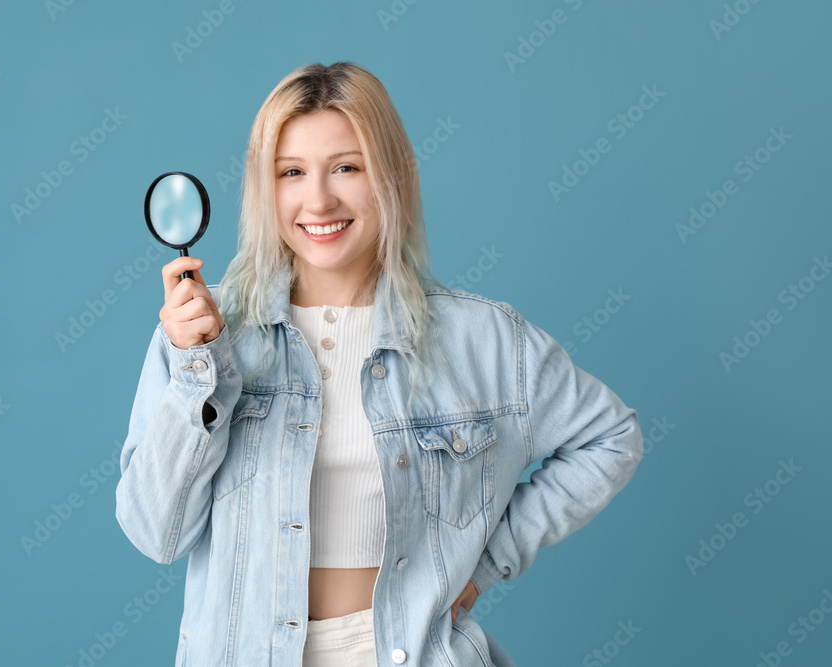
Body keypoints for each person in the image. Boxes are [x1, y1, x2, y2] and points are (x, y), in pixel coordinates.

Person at [115, 61, 644, 667]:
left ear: (389, 175)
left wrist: (488, 562)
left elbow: (611, 437)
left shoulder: (483, 339)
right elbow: (157, 535)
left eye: (347, 167)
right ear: (266, 189)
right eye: (292, 173)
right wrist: (193, 375)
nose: (319, 199)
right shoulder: (201, 337)